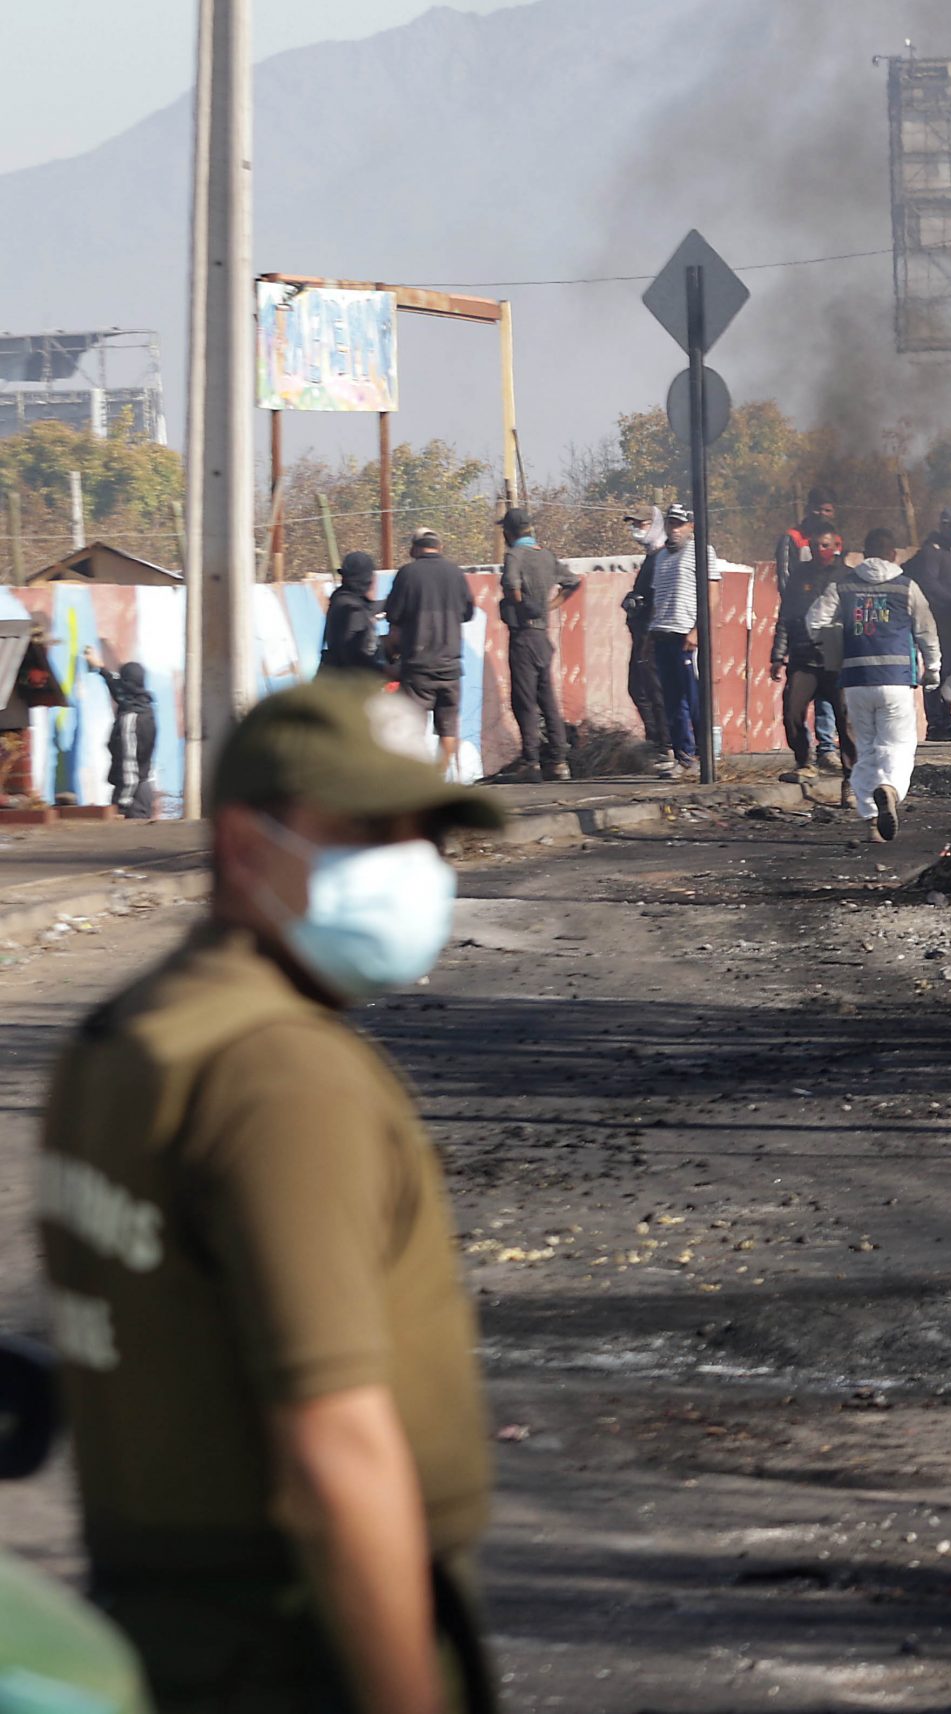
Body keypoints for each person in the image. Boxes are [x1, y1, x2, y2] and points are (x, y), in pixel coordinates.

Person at [38, 674, 504, 1713]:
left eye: (425, 833)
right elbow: (336, 1450)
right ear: (247, 846)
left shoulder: (122, 1039)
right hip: (297, 1649)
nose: (414, 866)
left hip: (161, 1632)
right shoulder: (280, 1075)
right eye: (367, 831)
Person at [808, 527, 940, 842]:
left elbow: (814, 621)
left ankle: (870, 820)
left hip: (855, 680)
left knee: (865, 748)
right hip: (896, 681)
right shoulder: (906, 587)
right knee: (898, 745)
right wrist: (933, 667)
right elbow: (926, 630)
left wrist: (829, 644)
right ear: (894, 554)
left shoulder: (843, 585)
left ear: (864, 554)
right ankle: (890, 789)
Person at [494, 505, 581, 782]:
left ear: (508, 532)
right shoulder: (545, 555)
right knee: (547, 699)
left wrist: (524, 605)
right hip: (542, 636)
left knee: (525, 700)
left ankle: (531, 762)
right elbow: (573, 582)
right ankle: (558, 761)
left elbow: (511, 585)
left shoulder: (514, 555)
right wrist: (548, 606)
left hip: (523, 636)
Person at [382, 529, 472, 782]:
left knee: (413, 727)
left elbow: (393, 614)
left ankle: (416, 783)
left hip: (418, 665)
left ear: (414, 549)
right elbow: (467, 613)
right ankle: (438, 777)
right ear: (440, 547)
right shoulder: (456, 573)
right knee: (448, 728)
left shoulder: (408, 574)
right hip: (451, 665)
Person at [772, 489, 844, 765]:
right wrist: (779, 654)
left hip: (832, 646)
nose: (820, 551)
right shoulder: (793, 544)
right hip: (802, 646)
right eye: (815, 547)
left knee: (833, 704)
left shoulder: (845, 574)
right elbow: (786, 611)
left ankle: (829, 750)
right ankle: (805, 760)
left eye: (828, 510)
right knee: (793, 709)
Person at [644, 504, 713, 778]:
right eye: (670, 524)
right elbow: (656, 597)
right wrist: (650, 633)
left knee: (693, 698)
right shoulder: (661, 558)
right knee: (672, 700)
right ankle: (684, 757)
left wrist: (698, 630)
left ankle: (703, 754)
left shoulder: (701, 552)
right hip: (662, 632)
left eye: (679, 524)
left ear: (690, 526)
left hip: (686, 634)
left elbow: (712, 594)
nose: (674, 529)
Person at [907, 508, 951, 743]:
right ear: (943, 525)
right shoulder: (932, 552)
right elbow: (929, 585)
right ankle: (937, 723)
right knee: (939, 672)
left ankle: (946, 720)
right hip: (939, 620)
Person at [79, 645, 159, 820]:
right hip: (141, 790)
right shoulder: (144, 706)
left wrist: (122, 806)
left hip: (132, 797)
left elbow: (130, 766)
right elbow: (119, 689)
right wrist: (101, 668)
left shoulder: (131, 720)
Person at [318, 551, 386, 680]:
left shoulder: (341, 599)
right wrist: (384, 670)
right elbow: (357, 657)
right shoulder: (353, 610)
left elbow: (371, 608)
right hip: (349, 685)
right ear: (367, 580)